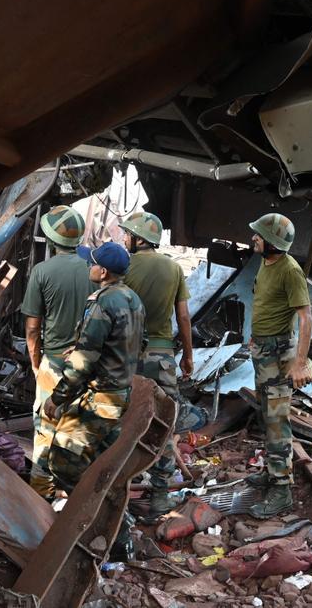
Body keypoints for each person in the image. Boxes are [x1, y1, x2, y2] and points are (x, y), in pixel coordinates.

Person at [44, 241, 144, 490]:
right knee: (102, 465)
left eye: (92, 263)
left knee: (63, 461)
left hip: (101, 398)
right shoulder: (133, 299)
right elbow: (136, 342)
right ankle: (114, 524)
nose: (89, 265)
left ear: (103, 272)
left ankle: (86, 519)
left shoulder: (102, 302)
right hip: (121, 394)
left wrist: (57, 397)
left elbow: (83, 362)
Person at [119, 211, 193, 516]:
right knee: (163, 424)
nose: (123, 239)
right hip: (162, 357)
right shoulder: (174, 269)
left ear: (138, 239)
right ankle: (160, 494)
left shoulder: (122, 266)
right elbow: (184, 317)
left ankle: (121, 492)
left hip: (127, 357)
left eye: (127, 234)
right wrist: (188, 355)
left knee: (124, 421)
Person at [19, 205, 92, 498]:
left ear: (50, 240)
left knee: (45, 431)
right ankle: (77, 493)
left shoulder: (42, 272)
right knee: (77, 430)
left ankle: (41, 494)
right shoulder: (94, 272)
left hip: (54, 363)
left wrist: (36, 364)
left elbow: (32, 328)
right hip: (86, 366)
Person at [243, 212, 312, 519]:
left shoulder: (290, 270)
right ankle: (273, 473)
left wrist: (299, 362)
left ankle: (282, 489)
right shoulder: (266, 261)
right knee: (265, 413)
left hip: (279, 352)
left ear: (271, 241)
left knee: (276, 419)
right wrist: (253, 338)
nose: (254, 238)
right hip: (263, 349)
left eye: (258, 235)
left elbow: (305, 317)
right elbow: (264, 304)